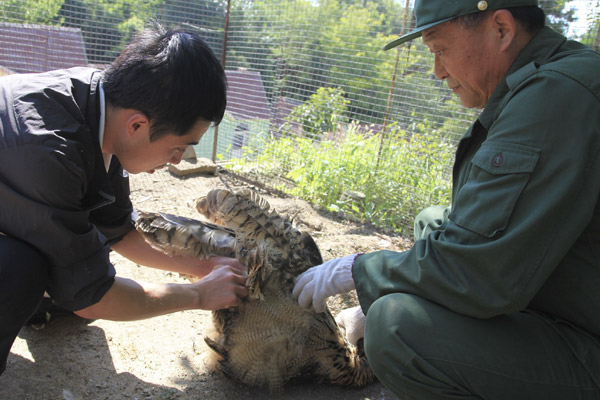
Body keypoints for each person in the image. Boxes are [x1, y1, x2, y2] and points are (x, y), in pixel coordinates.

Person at [293, 0, 600, 398]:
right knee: (432, 221)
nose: (437, 71)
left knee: (395, 329)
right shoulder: (545, 80)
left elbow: (480, 270)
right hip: (569, 297)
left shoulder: (556, 95)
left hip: (585, 340)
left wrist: (359, 272)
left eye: (440, 49)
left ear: (502, 29)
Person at [0, 23, 249, 375]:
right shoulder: (51, 151)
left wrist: (200, 268)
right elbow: (94, 298)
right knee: (21, 271)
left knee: (83, 259)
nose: (177, 160)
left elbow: (117, 229)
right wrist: (199, 295)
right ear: (138, 126)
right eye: (178, 147)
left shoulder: (102, 107)